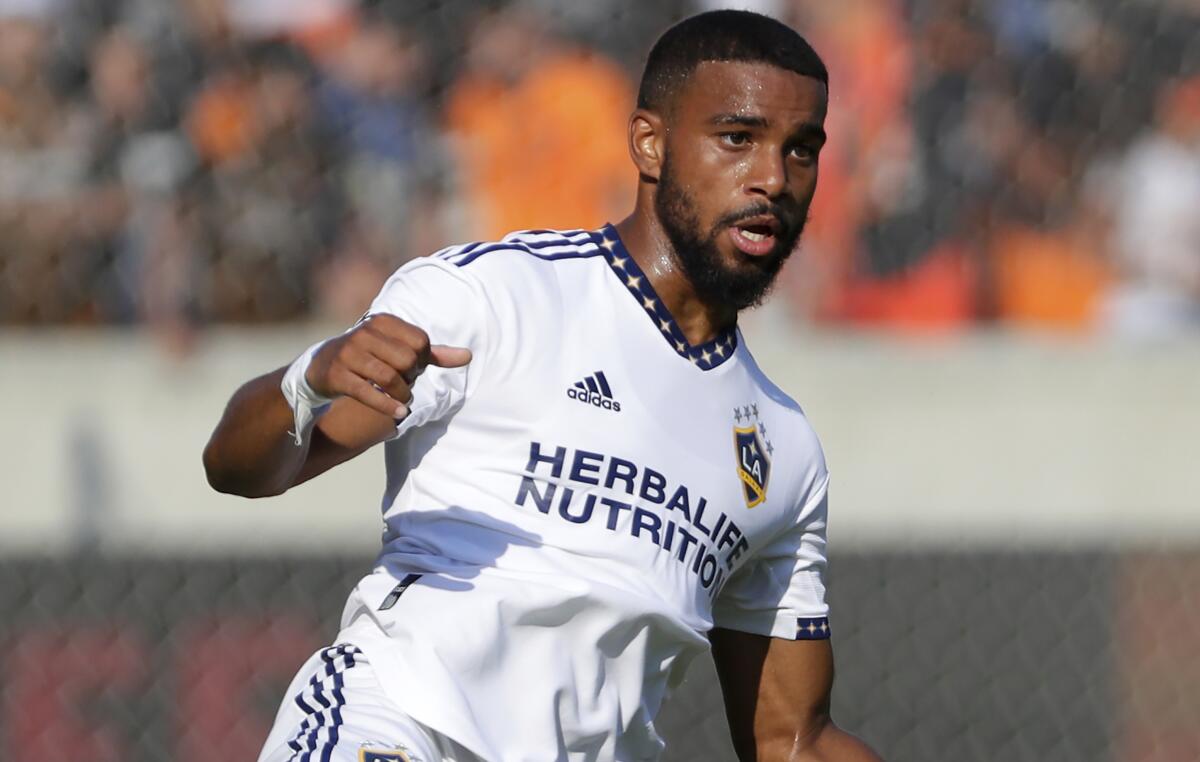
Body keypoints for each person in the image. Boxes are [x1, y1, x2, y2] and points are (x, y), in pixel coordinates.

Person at [203, 10, 881, 762]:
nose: (773, 179)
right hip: (395, 727)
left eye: (802, 150)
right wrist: (308, 380)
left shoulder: (783, 451)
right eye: (737, 139)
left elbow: (792, 741)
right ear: (649, 143)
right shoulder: (494, 299)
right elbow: (240, 470)